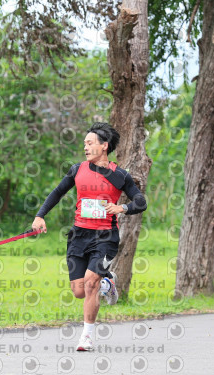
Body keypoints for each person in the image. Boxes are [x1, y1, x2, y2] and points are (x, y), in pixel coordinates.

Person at [32, 122, 147, 351]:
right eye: (84, 143)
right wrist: (40, 216)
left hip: (105, 237)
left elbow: (141, 202)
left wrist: (122, 209)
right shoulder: (77, 170)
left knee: (90, 283)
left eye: (89, 143)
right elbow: (57, 193)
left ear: (104, 146)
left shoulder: (119, 176)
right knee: (79, 291)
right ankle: (108, 282)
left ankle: (87, 336)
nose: (85, 147)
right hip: (79, 235)